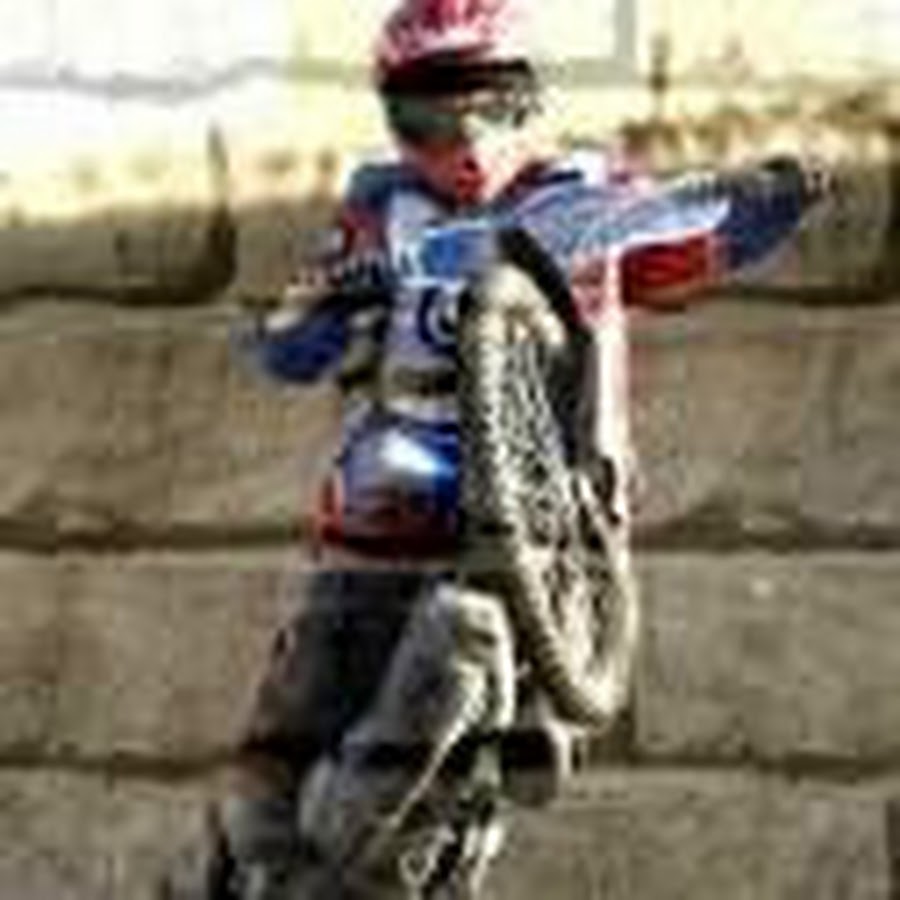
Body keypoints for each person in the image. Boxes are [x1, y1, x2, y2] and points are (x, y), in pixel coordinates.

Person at [205, 1, 826, 897]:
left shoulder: (586, 193)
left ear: (527, 100)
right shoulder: (380, 204)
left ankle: (530, 715)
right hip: (408, 470)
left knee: (498, 675)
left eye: (486, 106)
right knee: (331, 634)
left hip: (554, 487)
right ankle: (259, 800)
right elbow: (295, 344)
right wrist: (307, 314)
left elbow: (686, 241)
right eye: (428, 115)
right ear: (395, 117)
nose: (462, 138)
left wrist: (768, 198)